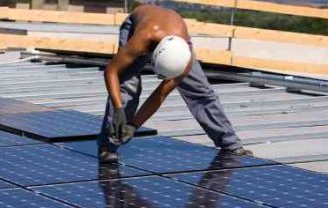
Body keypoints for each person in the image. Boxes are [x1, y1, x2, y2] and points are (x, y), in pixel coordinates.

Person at [97, 4, 253, 164]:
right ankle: (108, 145)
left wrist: (134, 126)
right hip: (137, 24)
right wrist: (118, 109)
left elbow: (160, 95)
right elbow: (111, 71)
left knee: (201, 92)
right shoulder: (144, 37)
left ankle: (231, 144)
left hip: (173, 36)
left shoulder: (184, 59)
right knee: (127, 86)